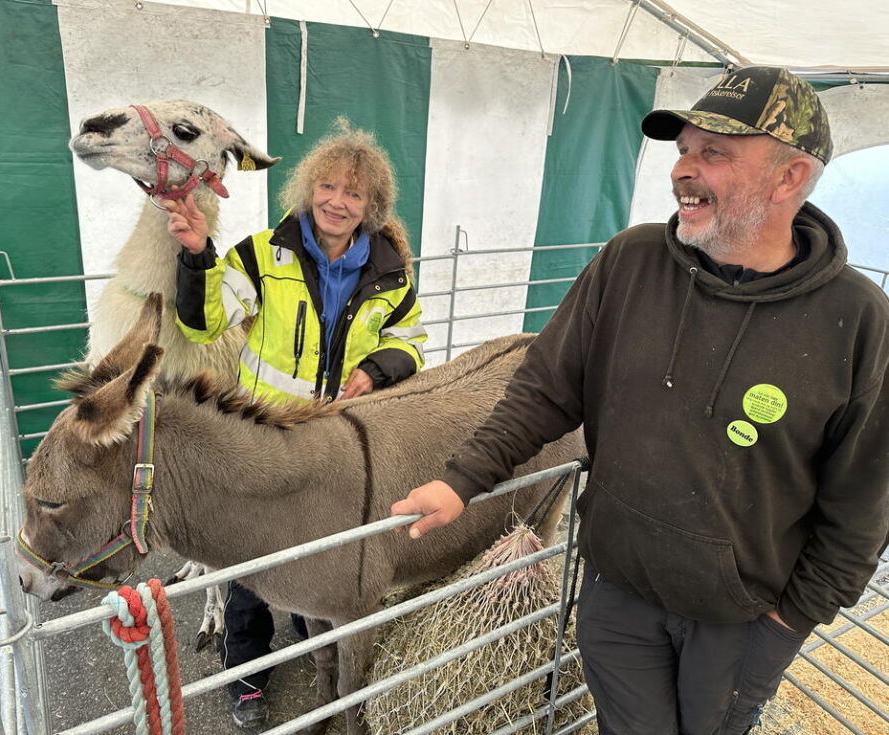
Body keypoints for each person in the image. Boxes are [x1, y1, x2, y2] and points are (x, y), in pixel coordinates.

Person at [391, 66, 888, 734]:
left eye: (715, 153)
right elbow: (543, 389)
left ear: (789, 177)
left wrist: (789, 620)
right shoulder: (630, 263)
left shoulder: (858, 320)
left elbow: (863, 503)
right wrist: (462, 480)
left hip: (738, 620)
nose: (684, 169)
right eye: (683, 149)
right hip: (616, 593)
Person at [166, 121, 427, 731]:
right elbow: (206, 322)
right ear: (308, 190)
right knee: (250, 556)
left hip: (338, 443)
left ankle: (323, 655)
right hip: (265, 438)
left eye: (353, 194)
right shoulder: (263, 255)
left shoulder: (389, 271)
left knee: (320, 553)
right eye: (327, 186)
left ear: (372, 207)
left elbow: (410, 339)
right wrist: (198, 253)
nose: (337, 201)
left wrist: (375, 368)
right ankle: (248, 673)